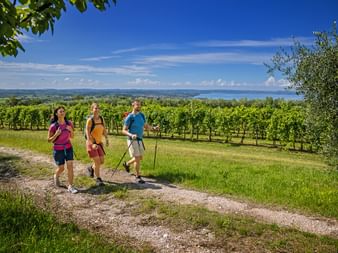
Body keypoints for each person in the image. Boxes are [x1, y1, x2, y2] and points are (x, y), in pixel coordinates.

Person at [122, 100, 159, 184]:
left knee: (139, 157)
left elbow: (145, 126)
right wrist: (131, 135)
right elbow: (123, 130)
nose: (139, 106)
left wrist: (154, 128)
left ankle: (127, 164)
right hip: (132, 140)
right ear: (133, 105)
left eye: (140, 105)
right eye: (137, 105)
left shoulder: (142, 115)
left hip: (139, 139)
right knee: (137, 158)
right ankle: (138, 176)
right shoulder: (130, 117)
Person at [48, 106, 78, 194]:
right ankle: (56, 175)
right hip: (58, 149)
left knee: (70, 166)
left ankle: (70, 186)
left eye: (63, 111)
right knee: (61, 168)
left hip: (68, 147)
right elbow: (49, 140)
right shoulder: (53, 126)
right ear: (56, 114)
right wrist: (56, 134)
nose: (62, 113)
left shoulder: (69, 123)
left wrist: (71, 130)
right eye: (60, 111)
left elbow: (72, 136)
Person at [85, 103, 109, 186]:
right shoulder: (90, 120)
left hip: (99, 143)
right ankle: (98, 179)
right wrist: (91, 144)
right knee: (97, 162)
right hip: (92, 143)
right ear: (92, 110)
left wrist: (106, 138)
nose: (97, 109)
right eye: (95, 108)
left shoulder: (101, 119)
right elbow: (87, 133)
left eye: (98, 108)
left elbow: (104, 129)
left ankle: (91, 168)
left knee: (101, 161)